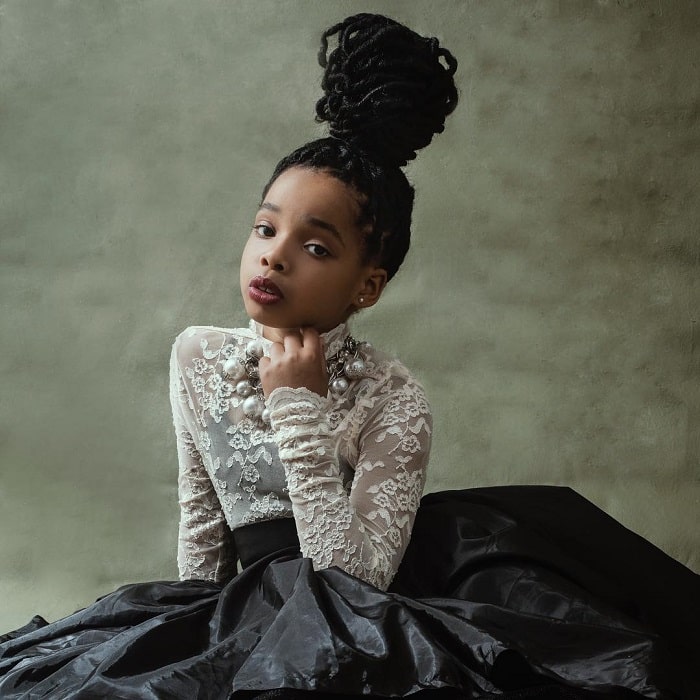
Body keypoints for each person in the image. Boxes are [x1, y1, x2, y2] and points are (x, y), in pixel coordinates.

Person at [0, 13, 698, 700]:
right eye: (265, 227)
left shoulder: (394, 397)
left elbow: (354, 585)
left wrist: (298, 405)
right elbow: (203, 543)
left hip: (353, 624)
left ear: (368, 285)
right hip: (236, 619)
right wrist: (192, 646)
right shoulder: (198, 356)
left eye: (315, 246)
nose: (273, 253)